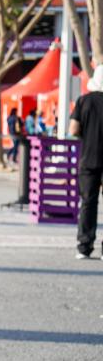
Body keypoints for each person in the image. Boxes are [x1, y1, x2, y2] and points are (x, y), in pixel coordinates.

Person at [70, 66, 103, 259]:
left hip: (89, 158)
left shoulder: (84, 101)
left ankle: (84, 246)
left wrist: (87, 135)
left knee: (88, 203)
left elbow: (73, 129)